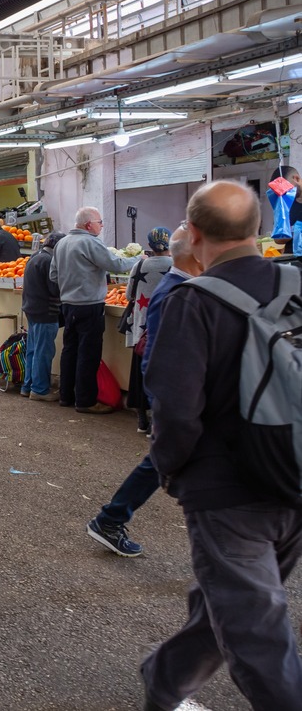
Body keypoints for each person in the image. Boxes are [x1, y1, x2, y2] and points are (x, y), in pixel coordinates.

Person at [141, 181, 302, 711]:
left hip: (228, 492)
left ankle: (167, 683)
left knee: (254, 627)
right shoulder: (296, 283)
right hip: (294, 475)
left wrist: (172, 471)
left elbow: (174, 408)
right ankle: (165, 681)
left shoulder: (195, 302)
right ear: (258, 228)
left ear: (194, 232)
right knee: (238, 602)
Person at [86, 226, 200, 558]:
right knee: (161, 462)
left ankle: (111, 519)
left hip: (182, 403)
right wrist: (168, 407)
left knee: (166, 462)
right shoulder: (176, 292)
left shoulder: (180, 286)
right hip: (180, 403)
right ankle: (110, 519)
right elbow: (161, 361)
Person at [49, 207, 135, 413]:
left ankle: (66, 396)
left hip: (68, 305)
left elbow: (53, 275)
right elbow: (116, 264)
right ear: (89, 225)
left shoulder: (61, 243)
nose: (102, 225)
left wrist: (70, 283)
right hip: (89, 305)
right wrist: (139, 260)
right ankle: (85, 401)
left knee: (70, 350)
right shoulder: (90, 242)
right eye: (100, 222)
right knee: (89, 353)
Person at [120, 227, 173, 433]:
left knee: (139, 370)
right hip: (165, 326)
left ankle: (141, 418)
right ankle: (157, 422)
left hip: (141, 327)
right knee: (162, 373)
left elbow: (128, 295)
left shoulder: (140, 264)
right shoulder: (176, 266)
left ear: (149, 245)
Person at [19, 232, 65, 401]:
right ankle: (39, 389)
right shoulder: (49, 261)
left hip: (32, 309)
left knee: (33, 349)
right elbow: (54, 289)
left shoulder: (36, 256)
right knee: (43, 351)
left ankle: (28, 386)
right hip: (46, 311)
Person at [270, 163, 301, 253]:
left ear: (296, 179)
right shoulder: (285, 204)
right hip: (293, 259)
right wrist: (290, 231)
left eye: (287, 189)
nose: (285, 194)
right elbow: (277, 239)